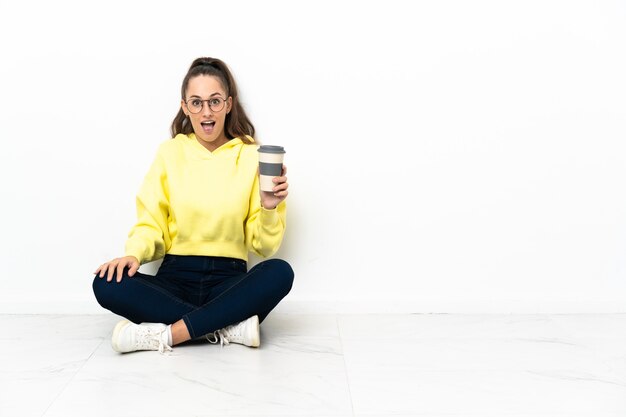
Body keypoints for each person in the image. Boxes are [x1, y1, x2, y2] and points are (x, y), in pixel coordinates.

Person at [92, 57, 294, 354]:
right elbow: (151, 220)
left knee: (279, 272)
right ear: (185, 106)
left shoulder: (252, 156)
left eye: (214, 101)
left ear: (228, 104)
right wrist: (134, 254)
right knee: (106, 283)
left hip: (228, 279)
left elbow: (264, 248)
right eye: (196, 103)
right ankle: (226, 325)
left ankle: (168, 335)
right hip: (175, 277)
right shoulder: (170, 152)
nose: (207, 112)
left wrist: (268, 207)